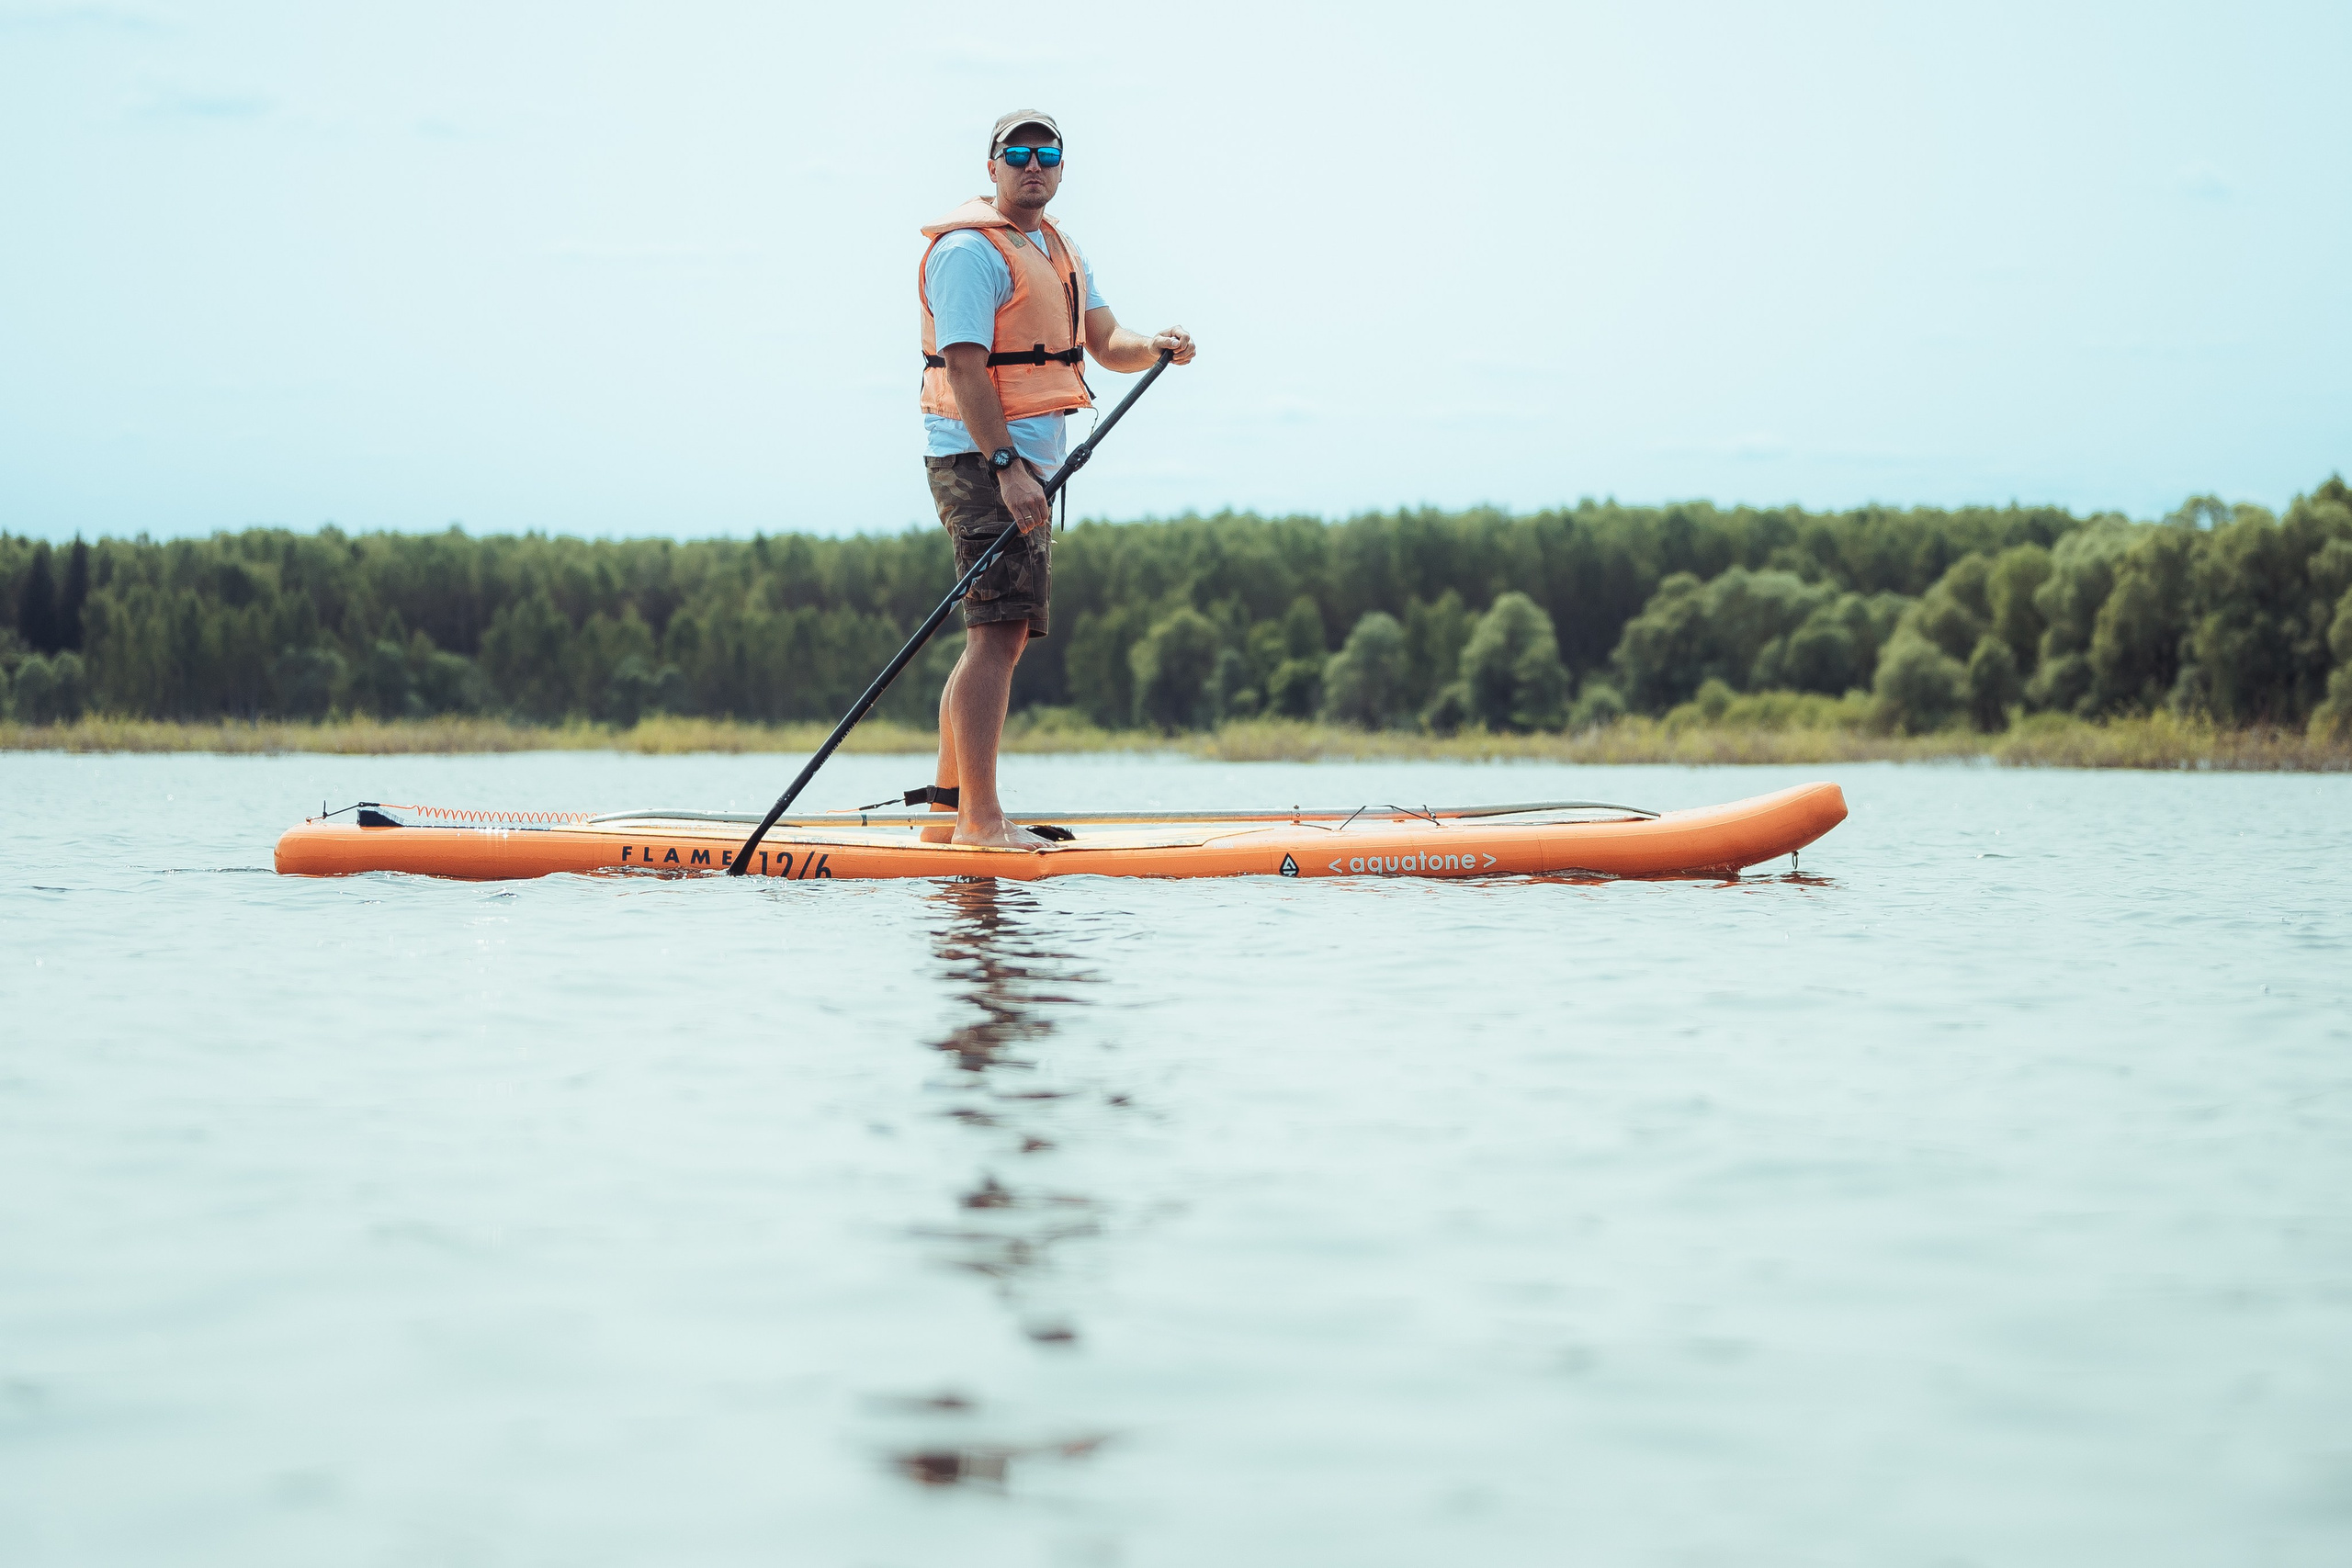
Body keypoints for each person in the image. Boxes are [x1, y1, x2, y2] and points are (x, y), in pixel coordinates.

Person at [918, 110, 1194, 847]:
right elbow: (966, 368)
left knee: (997, 634)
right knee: (998, 631)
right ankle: (981, 822)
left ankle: (951, 814)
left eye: (1047, 153)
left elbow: (1105, 342)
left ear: (1062, 169)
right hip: (984, 461)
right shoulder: (970, 253)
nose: (1032, 164)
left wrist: (1155, 345)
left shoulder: (1061, 246)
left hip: (1030, 466)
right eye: (1018, 152)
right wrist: (1007, 468)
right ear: (993, 166)